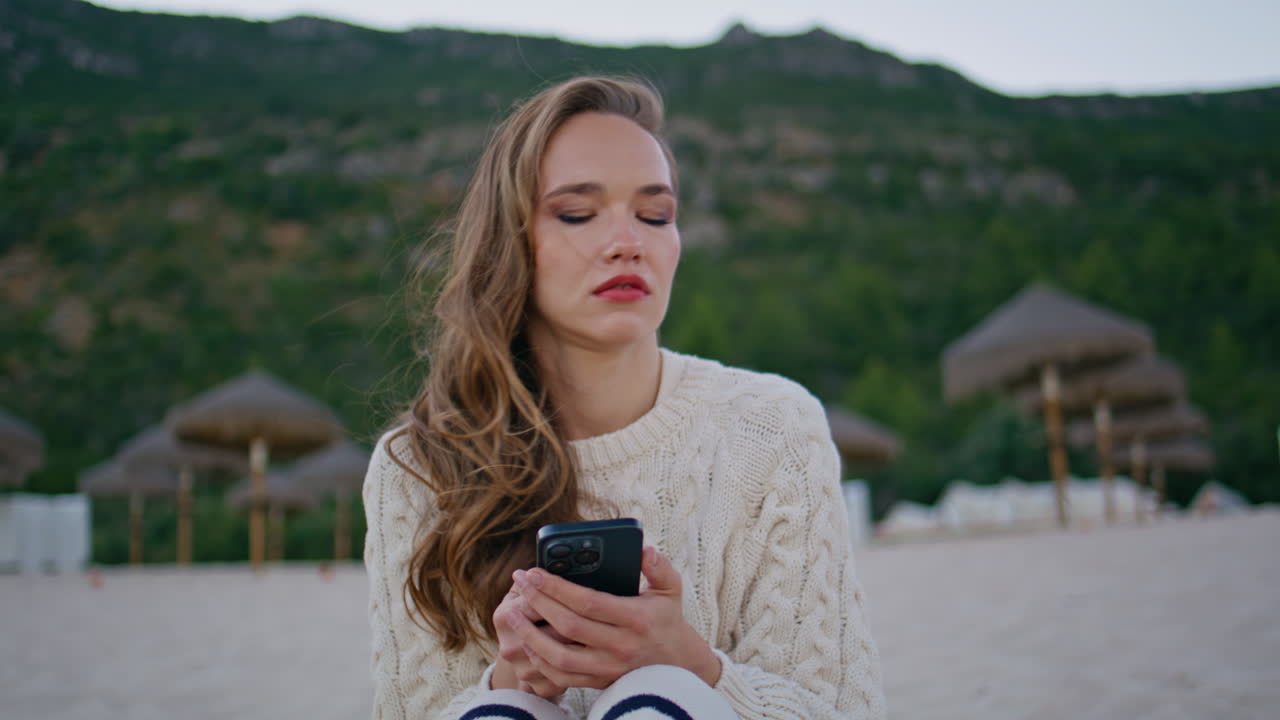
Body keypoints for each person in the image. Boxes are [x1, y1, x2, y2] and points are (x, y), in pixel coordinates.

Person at [363, 75, 886, 720]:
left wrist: (693, 666)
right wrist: (511, 681)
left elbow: (840, 708)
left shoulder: (772, 428)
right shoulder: (419, 464)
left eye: (655, 214)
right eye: (577, 213)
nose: (627, 242)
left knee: (657, 703)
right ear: (510, 243)